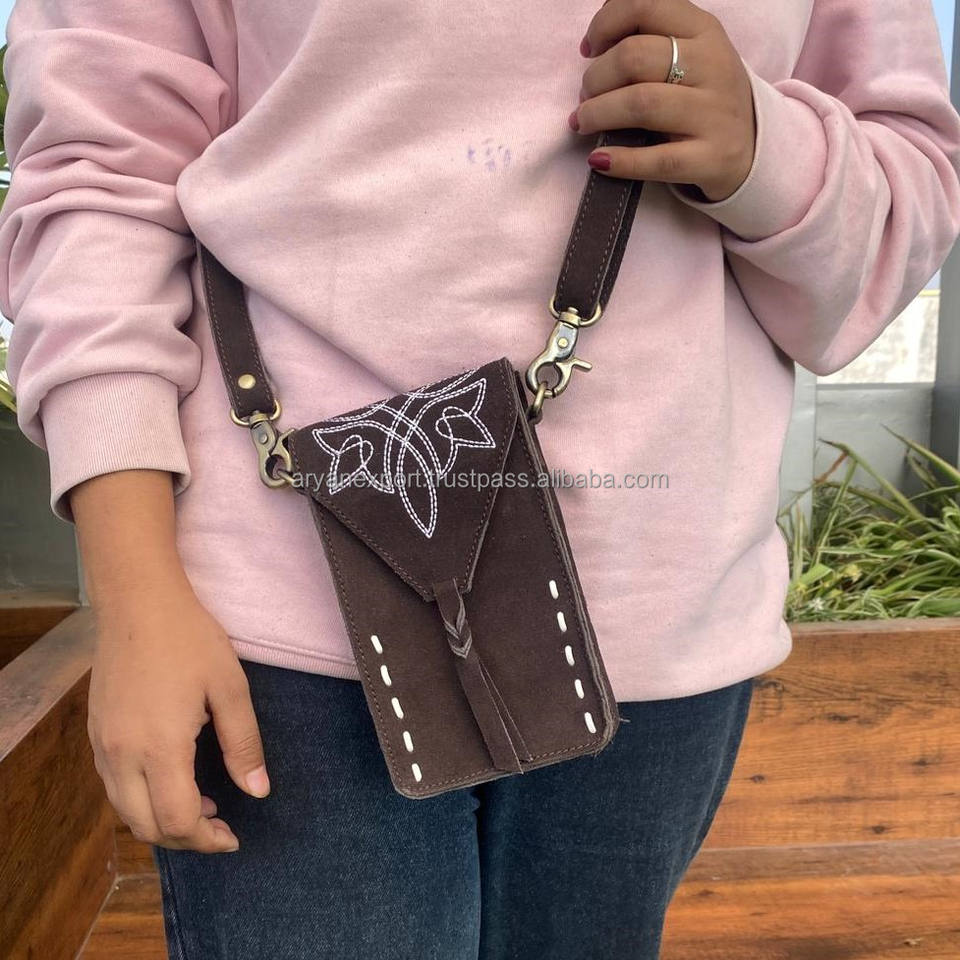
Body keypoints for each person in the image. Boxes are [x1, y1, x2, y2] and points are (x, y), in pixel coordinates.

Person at [2, 0, 959, 956]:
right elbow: (98, 181)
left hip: (658, 610)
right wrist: (134, 596)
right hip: (271, 621)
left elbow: (906, 202)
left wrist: (766, 152)